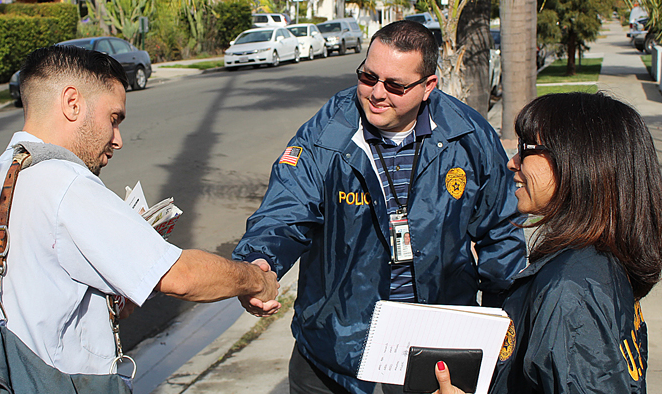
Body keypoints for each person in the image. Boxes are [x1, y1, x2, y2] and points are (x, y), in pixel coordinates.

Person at [0, 45, 279, 393]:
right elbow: (182, 276)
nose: (118, 140)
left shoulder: (2, 178)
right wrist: (254, 279)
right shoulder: (65, 184)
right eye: (113, 119)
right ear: (72, 103)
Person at [232, 20, 527, 394]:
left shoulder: (468, 136)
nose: (376, 93)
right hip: (333, 352)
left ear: (428, 87)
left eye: (395, 85)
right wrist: (260, 262)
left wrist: (501, 329)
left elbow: (501, 233)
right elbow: (286, 209)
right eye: (368, 77)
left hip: (435, 353)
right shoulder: (327, 133)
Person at [436, 92, 662, 394]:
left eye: (525, 149)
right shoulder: (597, 262)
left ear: (577, 160)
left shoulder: (571, 292)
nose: (512, 163)